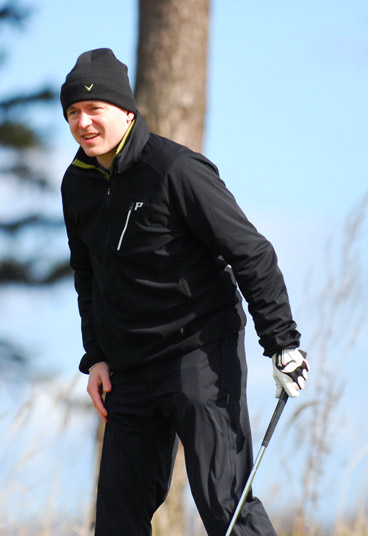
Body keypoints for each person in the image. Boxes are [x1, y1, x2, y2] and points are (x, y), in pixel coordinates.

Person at [59, 48, 309, 536]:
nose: (83, 122)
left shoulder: (175, 170)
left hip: (199, 353)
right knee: (117, 519)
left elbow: (251, 252)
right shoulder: (77, 185)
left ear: (126, 112)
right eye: (72, 113)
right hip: (129, 370)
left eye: (94, 110)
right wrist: (96, 358)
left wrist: (282, 343)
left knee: (224, 502)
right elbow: (87, 274)